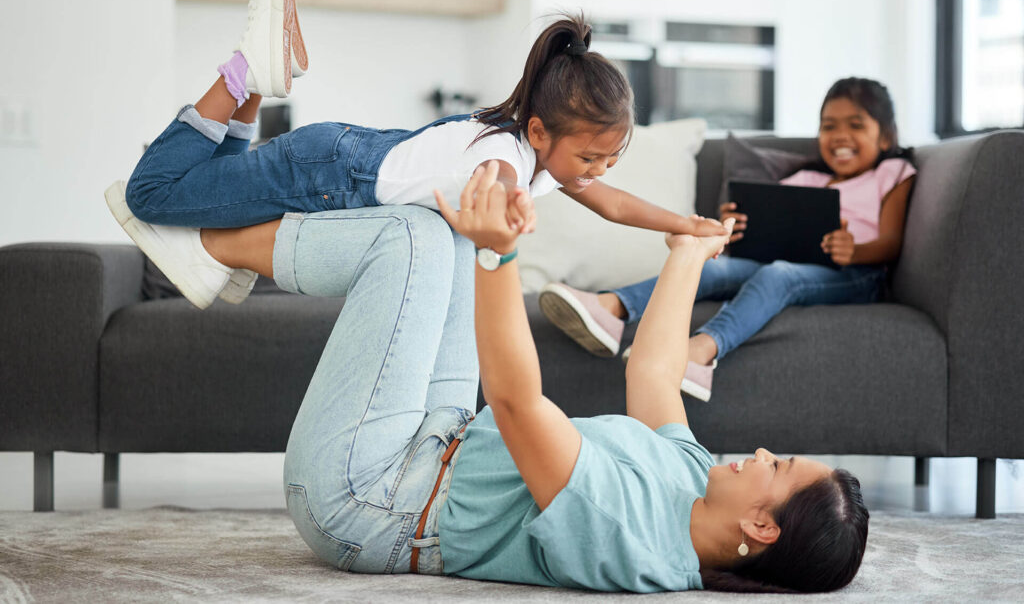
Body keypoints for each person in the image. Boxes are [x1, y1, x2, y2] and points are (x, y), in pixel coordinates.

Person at [194, 160, 868, 592]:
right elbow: (655, 374)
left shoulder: (634, 538)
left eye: (775, 466)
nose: (757, 452)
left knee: (409, 241)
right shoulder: (696, 483)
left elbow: (517, 405)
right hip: (440, 438)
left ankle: (201, 247)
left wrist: (502, 257)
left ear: (762, 525)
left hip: (371, 498)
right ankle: (220, 250)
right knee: (445, 220)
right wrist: (690, 250)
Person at [104, 0, 723, 309]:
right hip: (327, 174)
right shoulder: (509, 154)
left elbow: (614, 204)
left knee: (211, 189)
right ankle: (244, 71)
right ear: (541, 132)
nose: (598, 173)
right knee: (149, 195)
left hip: (338, 162)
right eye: (591, 158)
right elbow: (495, 179)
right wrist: (508, 209)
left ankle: (261, 79)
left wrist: (684, 223)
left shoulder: (540, 155)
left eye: (608, 160)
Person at [539, 77, 916, 402]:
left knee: (779, 276)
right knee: (719, 269)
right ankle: (612, 308)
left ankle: (700, 354)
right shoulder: (807, 181)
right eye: (829, 126)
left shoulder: (893, 172)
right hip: (788, 261)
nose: (841, 137)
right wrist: (734, 229)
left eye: (856, 125)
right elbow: (771, 233)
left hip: (856, 274)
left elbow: (893, 242)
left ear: (886, 136)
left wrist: (856, 252)